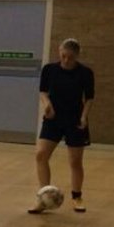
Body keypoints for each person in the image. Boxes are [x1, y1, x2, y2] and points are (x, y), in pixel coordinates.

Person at [29, 38, 93, 214]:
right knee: (41, 155)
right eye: (63, 56)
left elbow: (89, 98)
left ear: (77, 56)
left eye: (70, 58)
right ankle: (43, 197)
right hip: (53, 119)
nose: (66, 60)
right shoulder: (49, 70)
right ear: (59, 52)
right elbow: (43, 91)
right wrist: (47, 103)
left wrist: (84, 116)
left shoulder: (85, 73)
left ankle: (77, 197)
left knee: (75, 161)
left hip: (75, 120)